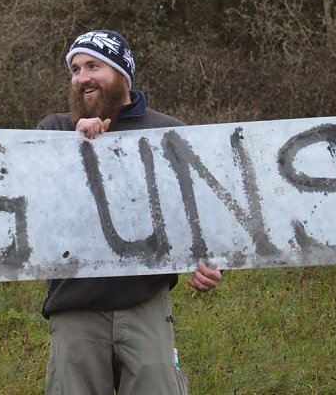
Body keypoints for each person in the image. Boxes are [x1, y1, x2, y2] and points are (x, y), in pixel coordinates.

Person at [36, 30, 222, 395]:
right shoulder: (52, 131)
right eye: (75, 69)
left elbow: (199, 213)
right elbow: (38, 210)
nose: (82, 77)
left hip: (145, 302)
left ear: (122, 73)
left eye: (93, 66)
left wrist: (212, 261)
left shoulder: (167, 132)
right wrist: (74, 147)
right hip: (74, 305)